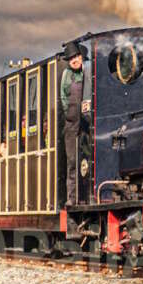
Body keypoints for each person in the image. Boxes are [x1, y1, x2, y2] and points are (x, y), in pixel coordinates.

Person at [60, 41, 85, 207]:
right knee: (72, 160)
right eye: (71, 58)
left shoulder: (87, 72)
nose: (74, 60)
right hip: (72, 120)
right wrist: (70, 114)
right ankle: (72, 196)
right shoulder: (66, 76)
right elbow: (63, 98)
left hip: (88, 118)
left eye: (76, 56)